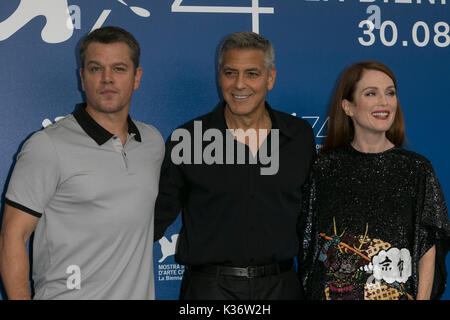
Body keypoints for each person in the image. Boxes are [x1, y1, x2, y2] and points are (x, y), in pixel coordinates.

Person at [0, 26, 164, 299]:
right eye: (96, 69)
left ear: (137, 77)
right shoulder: (47, 146)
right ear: (82, 77)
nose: (107, 79)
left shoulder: (152, 142)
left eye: (119, 69)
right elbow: (12, 238)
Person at [154, 31, 316, 300]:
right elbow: (156, 216)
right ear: (220, 75)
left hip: (282, 287)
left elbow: (312, 216)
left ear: (270, 78)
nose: (239, 85)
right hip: (209, 290)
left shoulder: (298, 136)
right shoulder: (189, 139)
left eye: (252, 74)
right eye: (231, 73)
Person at [298, 61, 450, 300]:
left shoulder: (417, 169)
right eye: (371, 93)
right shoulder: (323, 168)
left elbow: (427, 249)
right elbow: (309, 246)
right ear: (348, 107)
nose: (384, 102)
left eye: (390, 93)